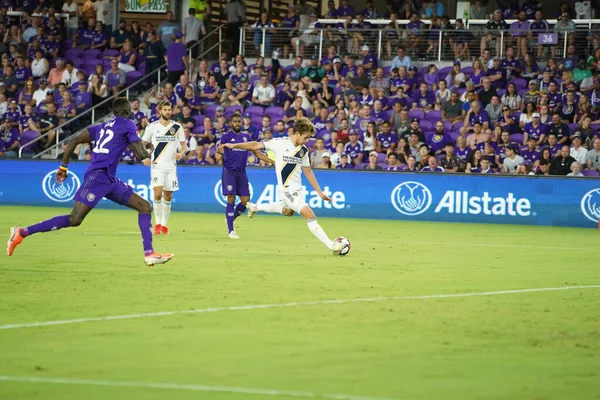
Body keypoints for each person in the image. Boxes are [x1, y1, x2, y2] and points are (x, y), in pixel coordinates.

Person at [7, 98, 173, 266]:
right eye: (129, 108)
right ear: (126, 110)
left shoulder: (101, 127)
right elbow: (141, 154)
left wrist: (63, 168)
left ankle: (149, 253)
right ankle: (21, 232)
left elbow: (73, 141)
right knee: (74, 219)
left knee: (144, 207)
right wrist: (151, 149)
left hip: (108, 179)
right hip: (98, 177)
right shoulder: (128, 124)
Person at [220, 117, 345, 254]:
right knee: (309, 215)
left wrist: (319, 192)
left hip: (297, 190)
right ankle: (331, 245)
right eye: (305, 137)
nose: (307, 141)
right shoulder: (279, 143)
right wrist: (234, 146)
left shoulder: (303, 150)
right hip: (287, 191)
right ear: (297, 133)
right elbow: (256, 145)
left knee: (288, 212)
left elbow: (307, 170)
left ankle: (256, 207)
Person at [216, 113, 273, 239]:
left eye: (239, 121)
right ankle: (231, 231)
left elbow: (257, 153)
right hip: (229, 171)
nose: (237, 123)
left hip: (242, 172)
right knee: (230, 198)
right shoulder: (226, 136)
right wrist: (220, 150)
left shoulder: (246, 137)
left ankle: (231, 218)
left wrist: (272, 161)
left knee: (245, 200)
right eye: (235, 121)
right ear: (230, 123)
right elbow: (218, 149)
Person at [141, 100, 186, 235]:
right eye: (165, 109)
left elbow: (183, 145)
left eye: (169, 109)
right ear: (159, 111)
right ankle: (158, 224)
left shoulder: (177, 127)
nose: (167, 112)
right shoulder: (152, 127)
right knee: (158, 194)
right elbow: (141, 144)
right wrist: (143, 157)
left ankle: (165, 225)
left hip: (171, 167)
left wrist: (181, 154)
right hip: (157, 166)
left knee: (168, 196)